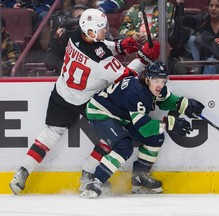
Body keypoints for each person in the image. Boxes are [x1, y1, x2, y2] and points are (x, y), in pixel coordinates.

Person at [9, 8, 160, 195]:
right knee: (110, 136)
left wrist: (119, 46)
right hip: (89, 100)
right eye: (101, 28)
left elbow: (99, 45)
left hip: (62, 93)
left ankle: (22, 171)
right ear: (90, 31)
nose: (106, 30)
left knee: (50, 134)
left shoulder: (74, 36)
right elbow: (126, 76)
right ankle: (87, 174)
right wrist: (143, 58)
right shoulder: (102, 60)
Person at [80, 61, 205, 198]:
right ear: (147, 79)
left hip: (122, 116)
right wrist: (170, 123)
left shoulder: (153, 87)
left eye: (163, 81)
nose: (159, 85)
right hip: (101, 112)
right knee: (124, 146)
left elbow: (165, 99)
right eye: (156, 80)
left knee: (156, 138)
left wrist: (184, 105)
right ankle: (95, 181)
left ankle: (139, 177)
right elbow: (144, 127)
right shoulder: (136, 92)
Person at [176, 0, 219, 74]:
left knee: (211, 61)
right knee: (192, 39)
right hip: (201, 61)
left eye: (217, 6)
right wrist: (180, 5)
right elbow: (181, 21)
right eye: (211, 5)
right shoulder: (201, 20)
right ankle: (196, 68)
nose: (213, 8)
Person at [44, 4, 89, 75]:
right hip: (65, 77)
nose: (78, 21)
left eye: (82, 18)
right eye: (77, 18)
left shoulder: (95, 38)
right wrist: (59, 41)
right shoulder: (64, 36)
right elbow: (49, 64)